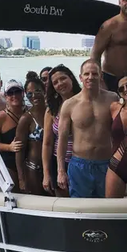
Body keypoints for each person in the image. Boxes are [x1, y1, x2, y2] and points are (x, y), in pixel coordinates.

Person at [56, 59, 118, 199]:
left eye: (94, 74)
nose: (90, 77)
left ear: (101, 76)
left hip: (106, 164)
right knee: (80, 209)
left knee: (107, 206)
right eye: (87, 74)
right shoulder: (70, 105)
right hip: (80, 165)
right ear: (80, 77)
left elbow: (124, 126)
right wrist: (61, 170)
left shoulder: (112, 98)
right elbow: (62, 140)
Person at [42, 64, 81, 196]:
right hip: (60, 163)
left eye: (63, 79)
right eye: (55, 82)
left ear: (71, 78)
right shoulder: (52, 109)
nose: (60, 84)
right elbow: (47, 143)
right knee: (64, 205)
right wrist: (46, 173)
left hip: (82, 162)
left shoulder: (85, 101)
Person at [0, 79, 25, 189]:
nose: (14, 95)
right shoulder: (0, 117)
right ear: (5, 96)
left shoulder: (29, 112)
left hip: (28, 163)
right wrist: (9, 147)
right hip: (8, 164)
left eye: (17, 91)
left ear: (23, 93)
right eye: (10, 93)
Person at [16, 72, 47, 195]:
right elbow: (19, 150)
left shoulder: (53, 112)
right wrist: (21, 179)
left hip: (52, 168)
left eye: (38, 91)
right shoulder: (26, 118)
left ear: (44, 91)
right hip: (33, 170)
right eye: (30, 93)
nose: (34, 96)